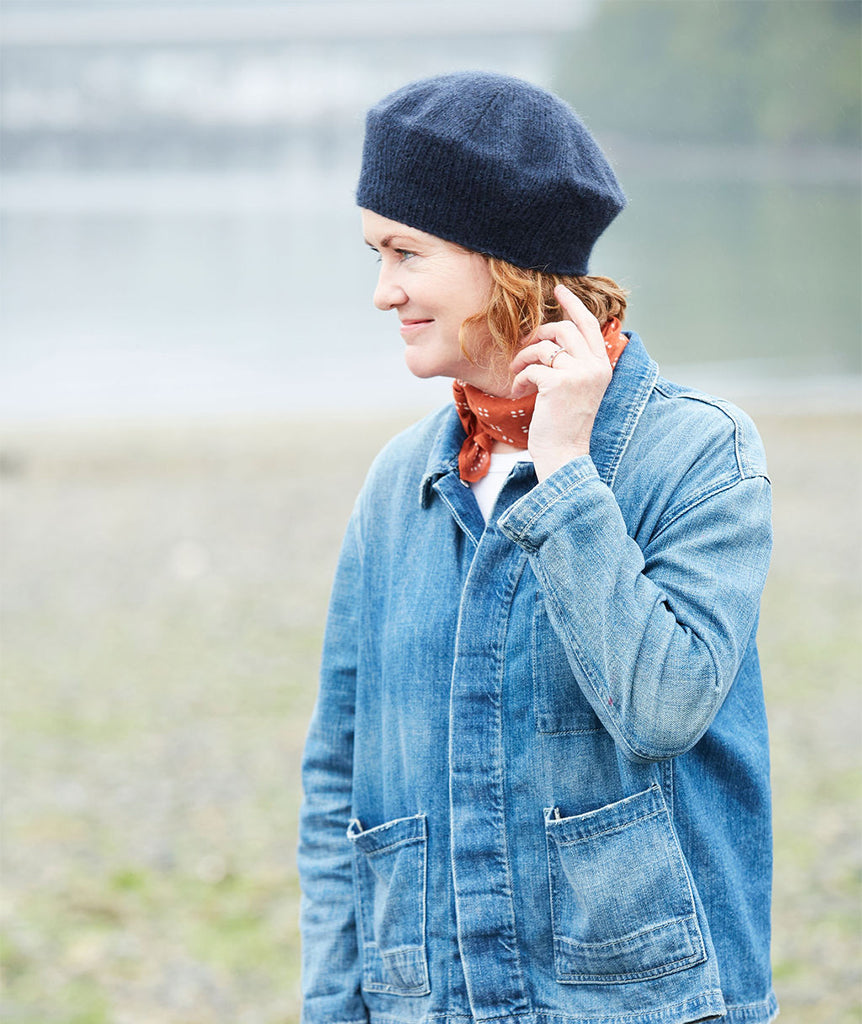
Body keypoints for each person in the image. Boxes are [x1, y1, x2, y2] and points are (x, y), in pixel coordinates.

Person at [297, 71, 777, 1024]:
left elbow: (663, 708)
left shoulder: (697, 453)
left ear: (502, 261)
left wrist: (564, 473)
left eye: (405, 253)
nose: (382, 291)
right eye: (375, 253)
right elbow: (336, 781)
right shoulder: (400, 485)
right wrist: (336, 1005)